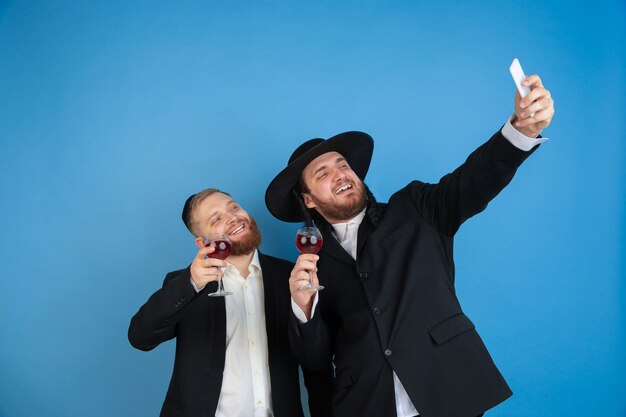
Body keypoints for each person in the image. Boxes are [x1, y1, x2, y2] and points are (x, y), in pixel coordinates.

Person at [264, 74, 555, 417]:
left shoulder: (415, 207)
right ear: (309, 200)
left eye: (343, 165)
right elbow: (314, 362)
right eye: (323, 173)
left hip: (448, 390)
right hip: (366, 405)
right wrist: (303, 308)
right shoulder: (311, 265)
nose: (340, 173)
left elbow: (475, 179)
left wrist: (521, 129)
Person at [128, 188, 333, 417]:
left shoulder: (291, 276)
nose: (232, 217)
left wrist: (305, 308)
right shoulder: (184, 284)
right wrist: (190, 283)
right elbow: (140, 337)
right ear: (201, 242)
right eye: (216, 219)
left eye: (233, 207)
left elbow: (317, 362)